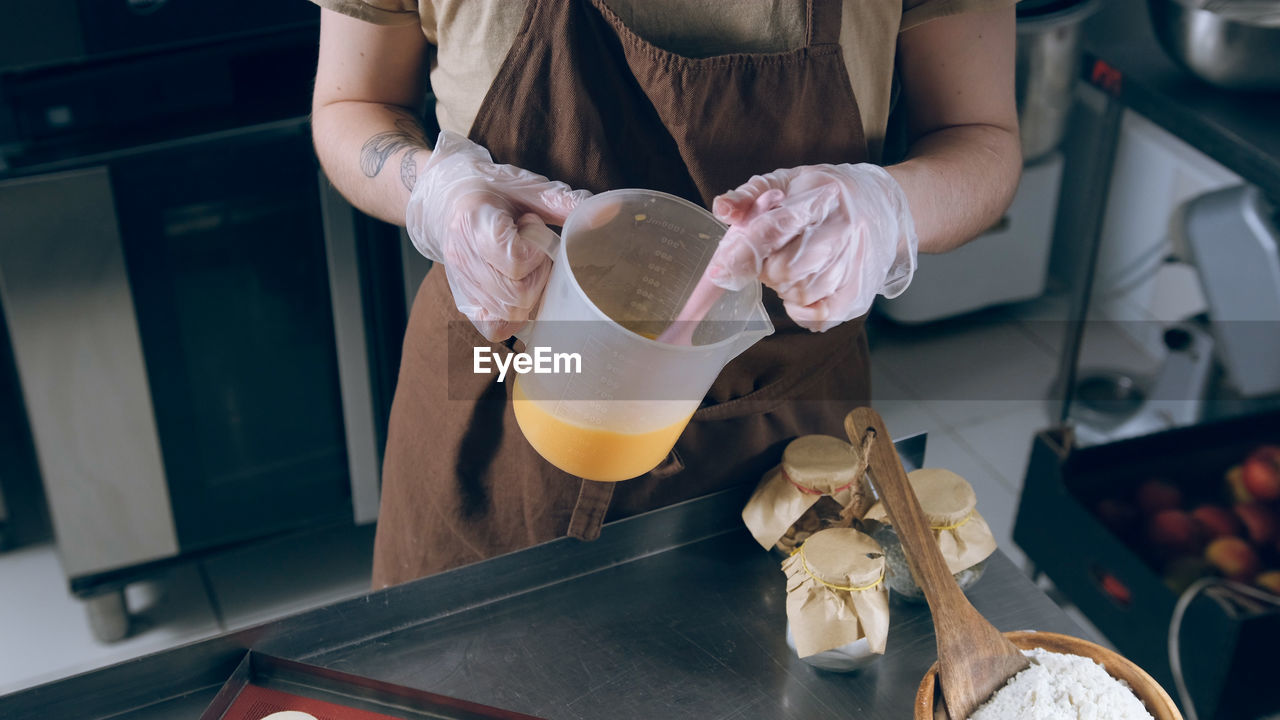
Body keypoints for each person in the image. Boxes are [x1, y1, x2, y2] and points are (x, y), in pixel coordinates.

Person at [309, 0, 1022, 588]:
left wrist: (890, 207)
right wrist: (431, 191)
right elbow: (352, 101)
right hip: (497, 406)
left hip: (784, 457)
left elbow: (979, 137)